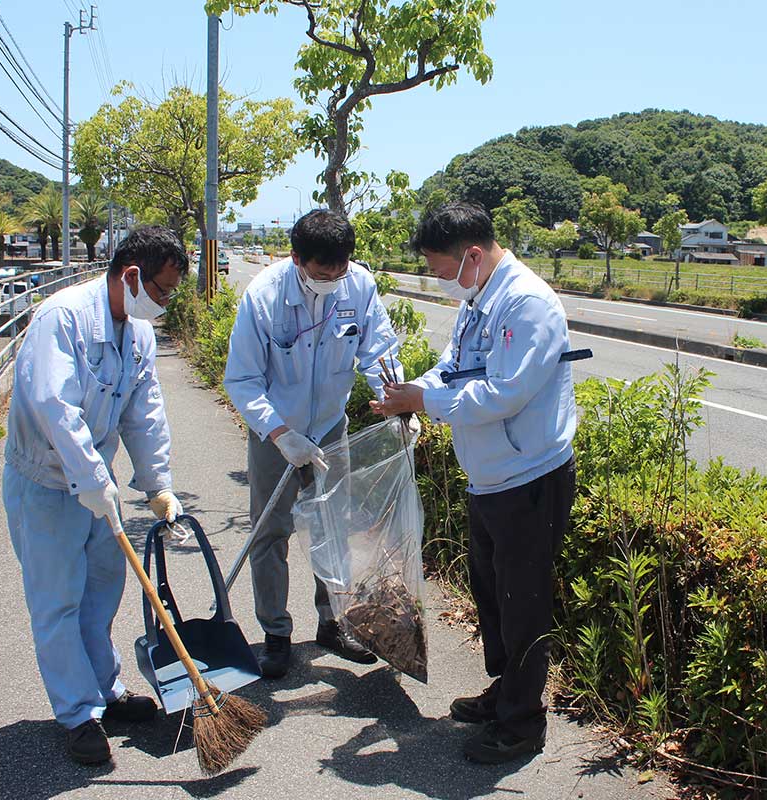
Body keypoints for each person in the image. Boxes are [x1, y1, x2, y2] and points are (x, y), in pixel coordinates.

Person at [372, 202, 577, 765]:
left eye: (441, 269)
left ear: (473, 255)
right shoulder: (479, 297)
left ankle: (522, 725)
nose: (439, 280)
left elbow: (505, 392)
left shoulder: (526, 302)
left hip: (528, 476)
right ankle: (504, 693)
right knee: (492, 596)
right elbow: (453, 364)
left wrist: (426, 401)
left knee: (523, 604)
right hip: (490, 477)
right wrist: (414, 388)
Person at [2, 225, 189, 765]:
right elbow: (54, 407)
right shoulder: (62, 319)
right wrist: (90, 479)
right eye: (161, 290)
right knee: (57, 601)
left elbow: (145, 412)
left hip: (97, 486)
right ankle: (78, 713)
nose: (165, 302)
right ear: (131, 275)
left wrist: (158, 485)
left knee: (101, 594)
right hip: (46, 483)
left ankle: (105, 690)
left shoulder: (140, 335)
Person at [223, 209, 401, 679]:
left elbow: (378, 350)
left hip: (329, 428)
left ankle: (332, 622)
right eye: (323, 273)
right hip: (276, 434)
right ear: (297, 259)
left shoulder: (358, 286)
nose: (333, 279)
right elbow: (241, 379)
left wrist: (396, 399)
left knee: (332, 528)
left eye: (340, 269)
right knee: (270, 532)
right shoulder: (263, 297)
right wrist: (281, 435)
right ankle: (276, 634)